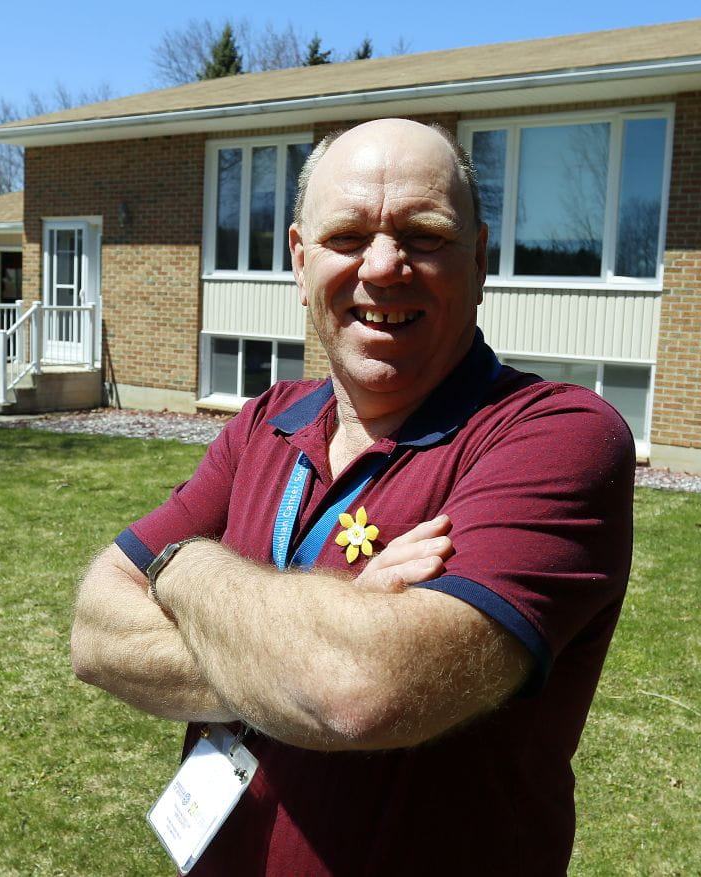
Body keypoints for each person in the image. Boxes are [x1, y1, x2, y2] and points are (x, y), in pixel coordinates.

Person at [71, 118, 635, 875]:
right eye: (347, 237)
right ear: (301, 260)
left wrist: (183, 570)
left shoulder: (556, 436)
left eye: (424, 235)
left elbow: (360, 690)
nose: (383, 266)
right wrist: (312, 643)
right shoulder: (266, 422)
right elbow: (95, 633)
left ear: (479, 257)